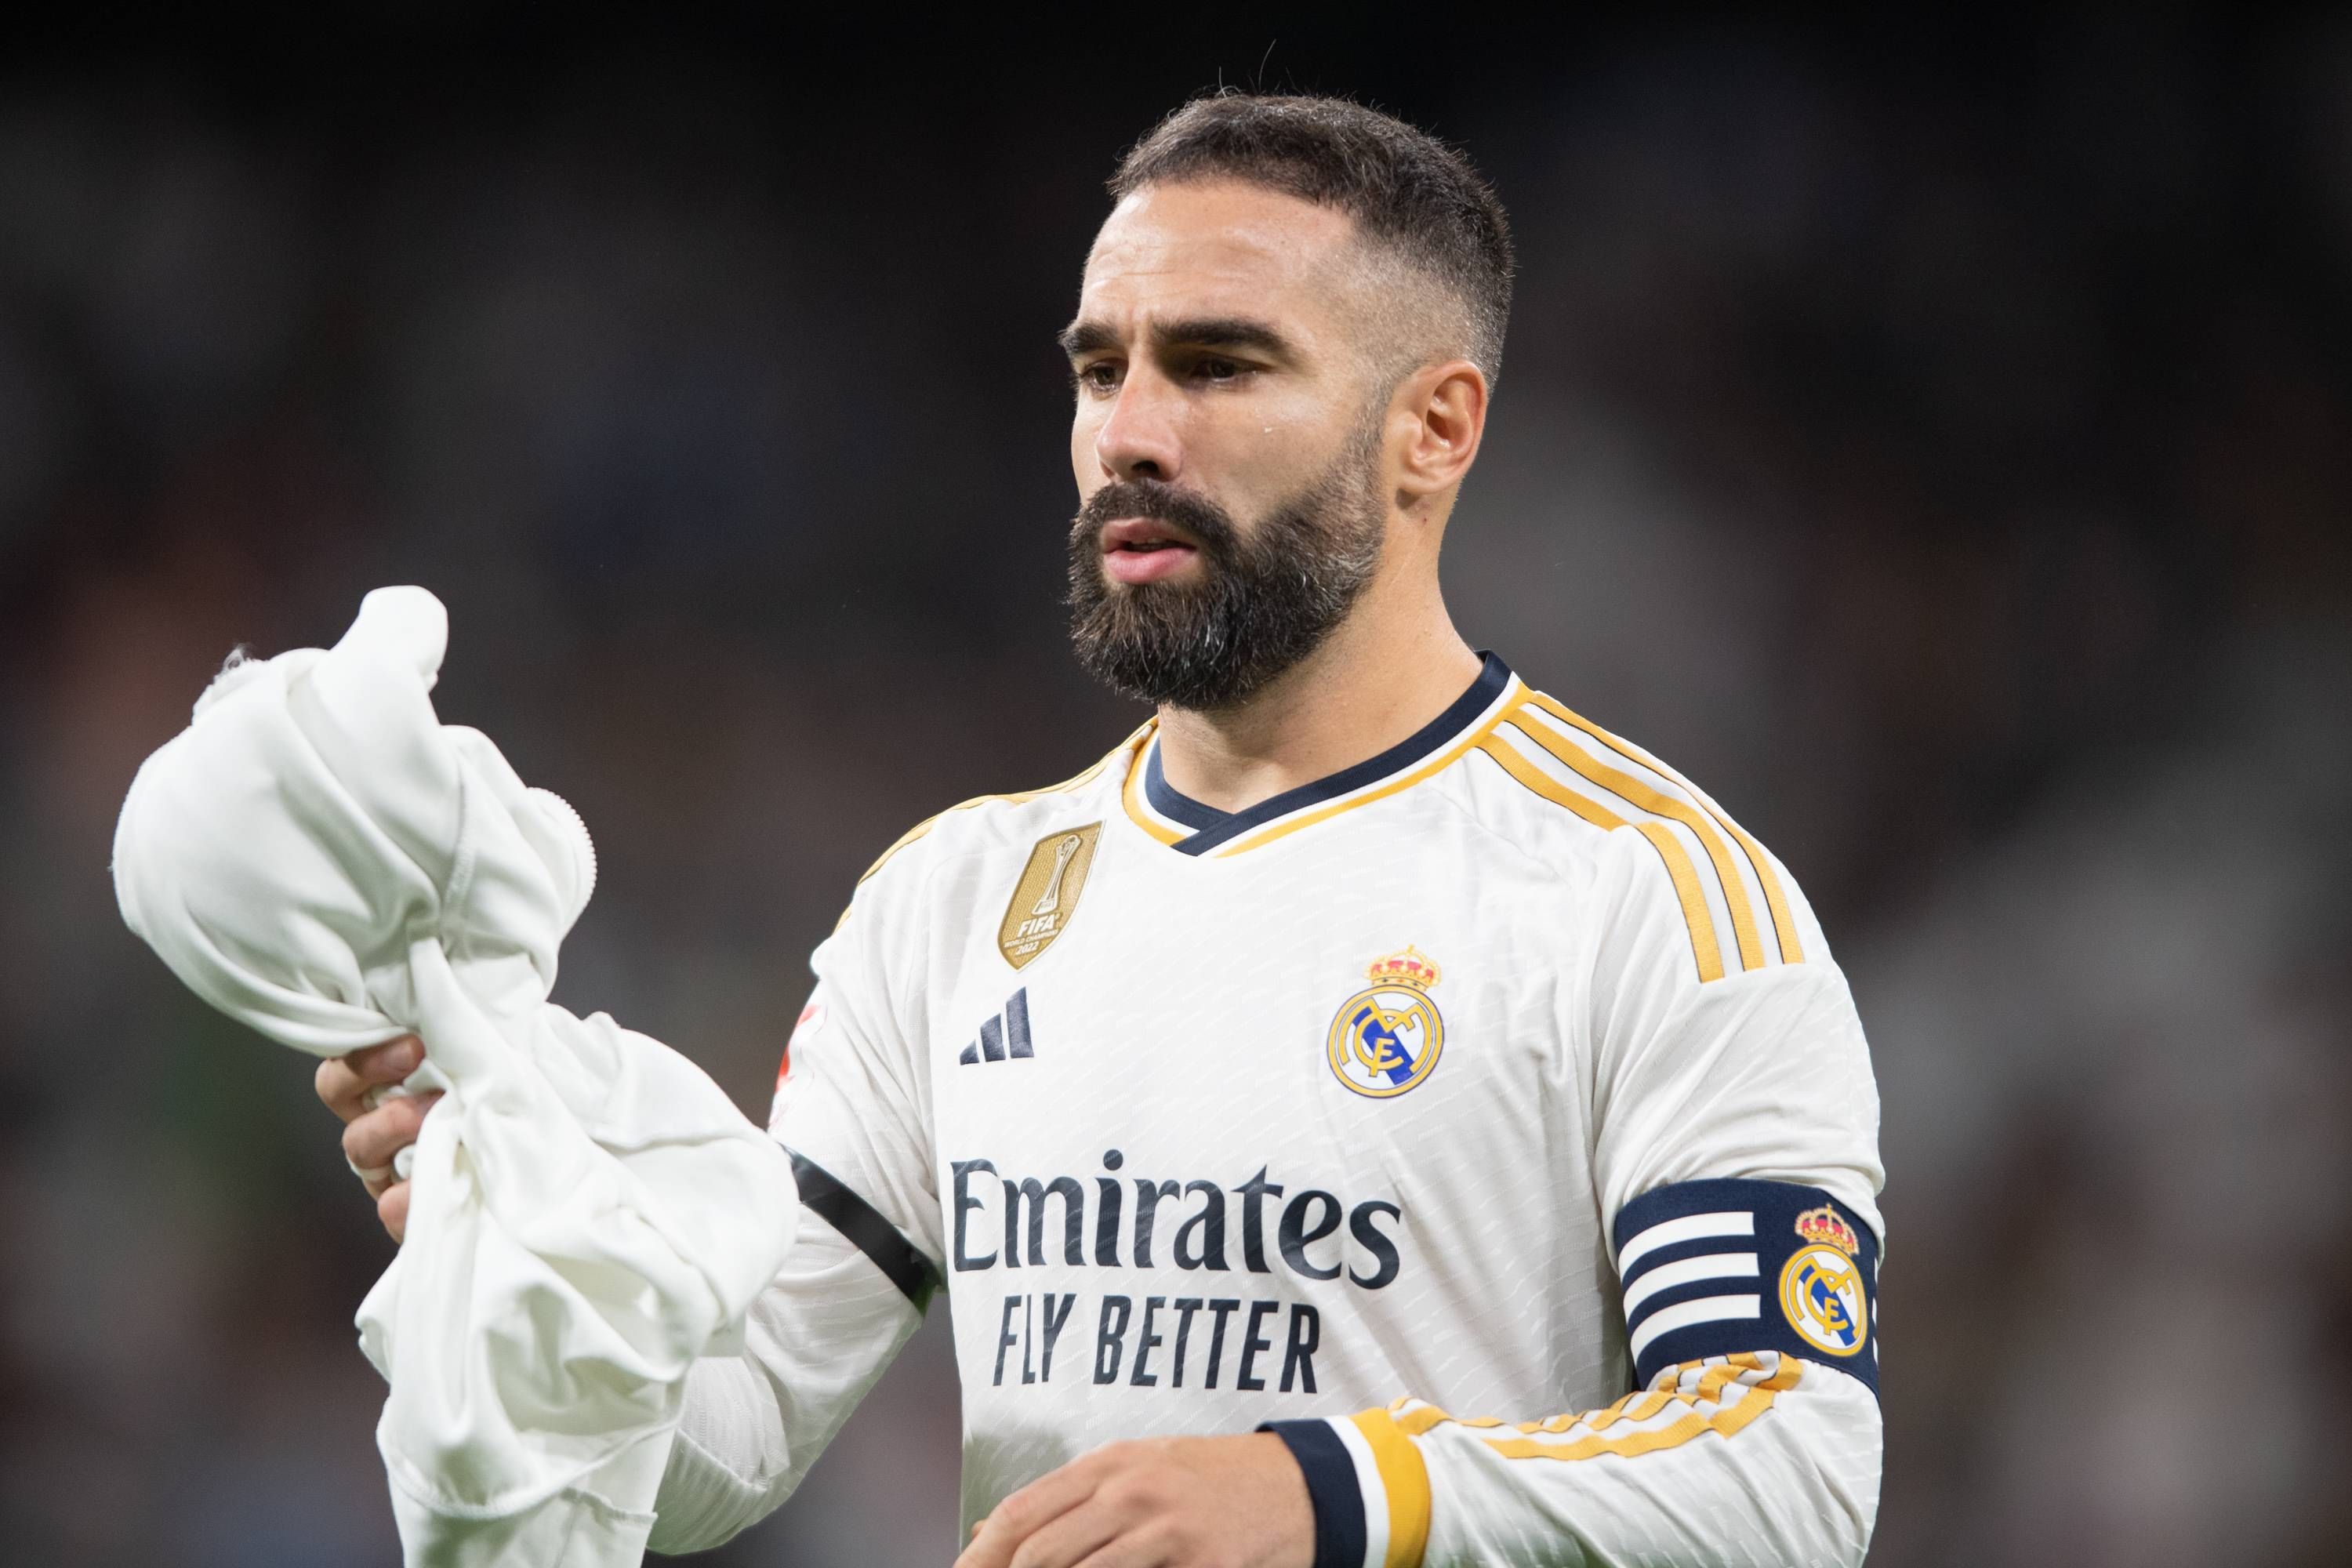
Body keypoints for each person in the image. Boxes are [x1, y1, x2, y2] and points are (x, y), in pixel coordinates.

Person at [319, 93, 1886, 1568]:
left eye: (1217, 366)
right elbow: (720, 1444)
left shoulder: (1648, 895)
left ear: (1436, 428)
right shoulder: (950, 902)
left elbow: (1788, 1465)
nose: (1131, 432)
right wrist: (520, 1258)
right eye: (1099, 368)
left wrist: (1323, 1489)